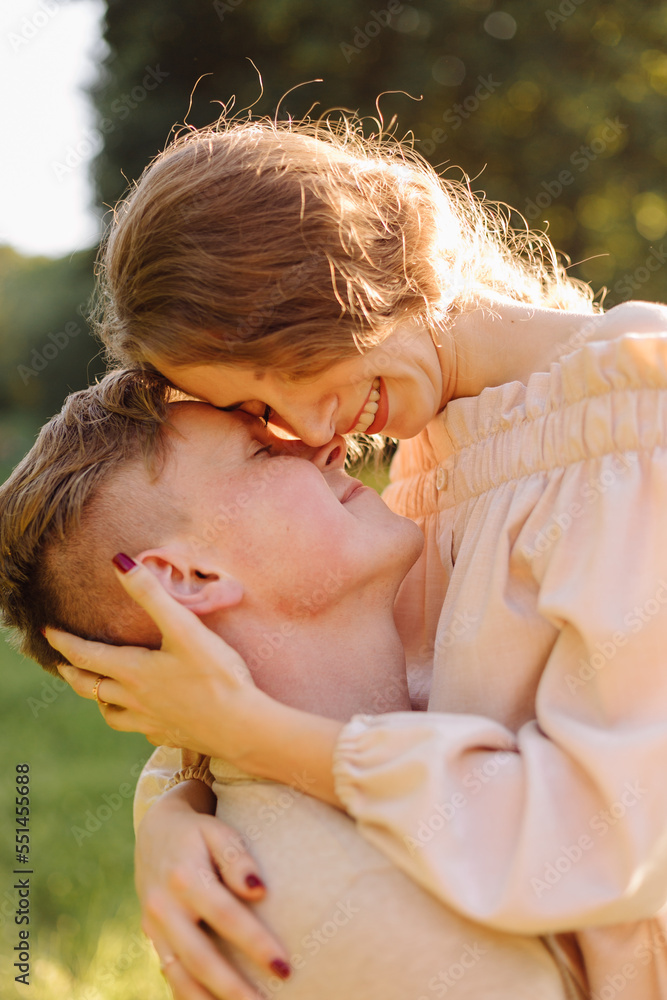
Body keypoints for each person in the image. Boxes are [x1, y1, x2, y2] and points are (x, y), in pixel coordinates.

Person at [47, 117, 667, 1000]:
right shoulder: (433, 464)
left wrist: (253, 739)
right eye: (257, 416)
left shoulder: (637, 431)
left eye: (274, 378)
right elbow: (364, 695)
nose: (305, 436)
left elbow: (616, 840)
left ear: (331, 282)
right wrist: (179, 809)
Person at [0, 369, 575, 1000]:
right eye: (265, 450)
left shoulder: (439, 660)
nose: (325, 444)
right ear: (188, 576)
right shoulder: (357, 908)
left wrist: (177, 795)